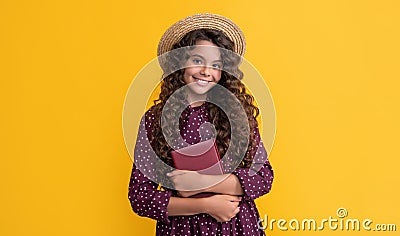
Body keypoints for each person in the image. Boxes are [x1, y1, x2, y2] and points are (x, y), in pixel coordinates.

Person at [128, 13, 274, 235]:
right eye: (198, 61)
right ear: (180, 64)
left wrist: (200, 183)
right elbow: (140, 197)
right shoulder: (154, 120)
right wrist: (205, 205)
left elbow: (263, 177)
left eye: (216, 65)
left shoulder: (238, 114)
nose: (207, 71)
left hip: (237, 226)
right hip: (182, 230)